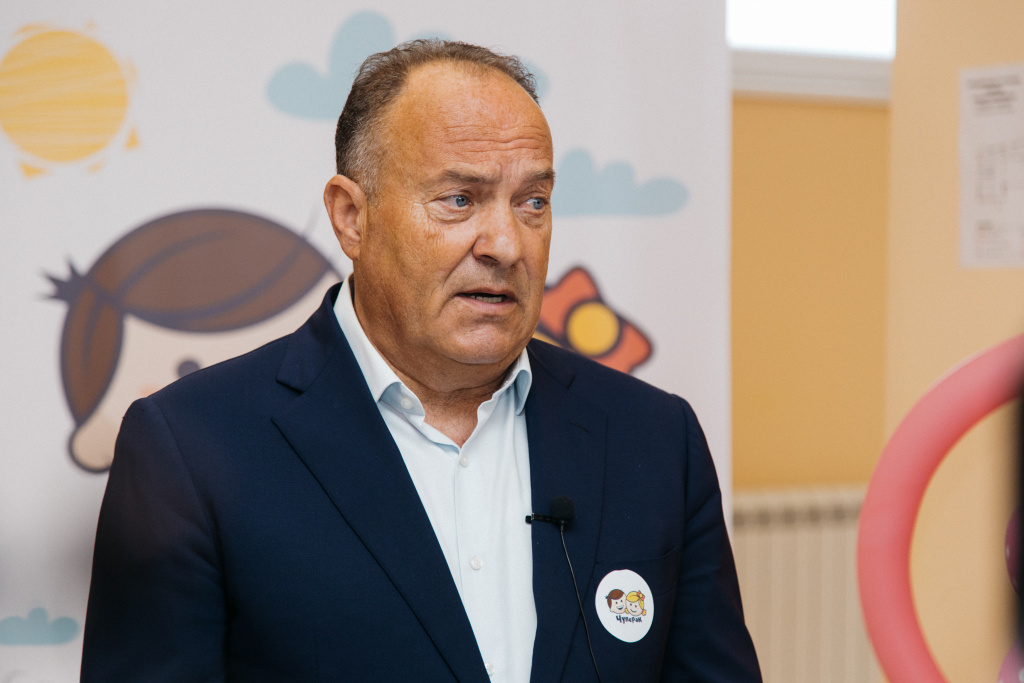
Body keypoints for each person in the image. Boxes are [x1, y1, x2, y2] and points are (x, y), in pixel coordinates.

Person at [81, 39, 761, 682]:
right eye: (459, 200)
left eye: (532, 203)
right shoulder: (192, 450)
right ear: (351, 216)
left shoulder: (654, 439)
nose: (506, 244)